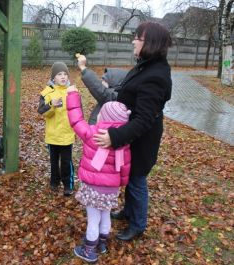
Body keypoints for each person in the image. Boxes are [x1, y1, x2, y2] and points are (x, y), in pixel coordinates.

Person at [77, 22, 172, 241]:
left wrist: (114, 136)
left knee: (137, 179)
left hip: (141, 139)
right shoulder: (145, 66)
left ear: (149, 43)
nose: (133, 41)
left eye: (137, 38)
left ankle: (137, 225)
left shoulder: (156, 75)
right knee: (128, 177)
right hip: (131, 135)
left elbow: (144, 119)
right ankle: (128, 212)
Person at [66, 87, 131, 263]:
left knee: (93, 219)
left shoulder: (93, 134)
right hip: (112, 188)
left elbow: (76, 121)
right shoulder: (122, 141)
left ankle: (89, 251)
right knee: (105, 215)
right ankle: (102, 244)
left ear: (105, 117)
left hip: (93, 186)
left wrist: (72, 96)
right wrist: (121, 183)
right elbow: (125, 166)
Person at [37, 62, 75, 196]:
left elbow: (77, 111)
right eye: (59, 74)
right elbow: (41, 110)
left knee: (66, 162)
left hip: (67, 134)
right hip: (52, 135)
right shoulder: (47, 92)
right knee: (54, 161)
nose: (63, 77)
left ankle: (68, 184)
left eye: (65, 74)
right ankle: (54, 181)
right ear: (53, 78)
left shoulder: (72, 91)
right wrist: (51, 105)